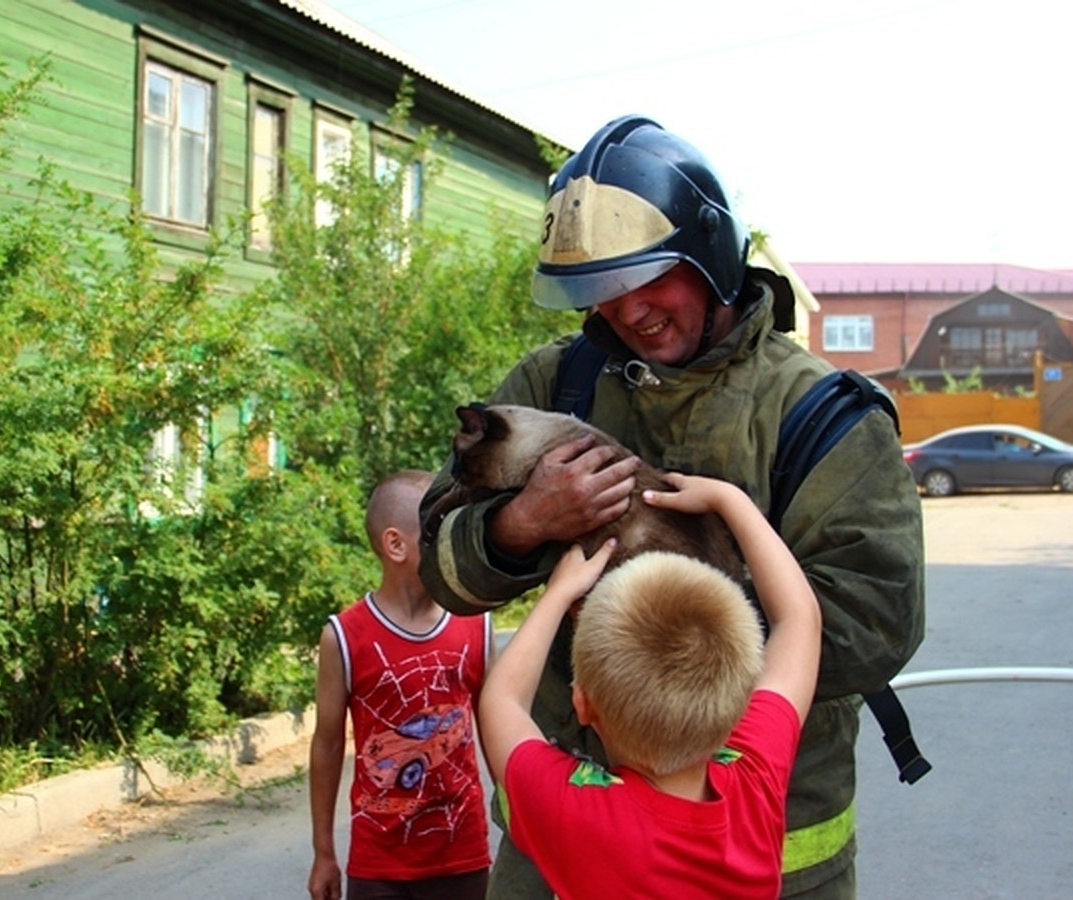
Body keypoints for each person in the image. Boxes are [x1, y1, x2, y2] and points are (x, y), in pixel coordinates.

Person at [418, 115, 926, 898]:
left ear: (711, 255)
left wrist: (655, 629)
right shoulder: (552, 389)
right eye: (603, 292)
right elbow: (439, 566)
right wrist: (523, 525)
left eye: (650, 279)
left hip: (779, 855)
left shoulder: (823, 416)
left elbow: (874, 622)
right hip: (557, 863)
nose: (628, 311)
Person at [480, 472, 822, 899]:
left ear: (582, 703)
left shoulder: (576, 813)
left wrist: (560, 593)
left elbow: (501, 701)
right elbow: (799, 619)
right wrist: (730, 499)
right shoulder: (754, 777)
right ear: (739, 703)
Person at [308, 470, 493, 900]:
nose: (451, 545)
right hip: (379, 865)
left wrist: (519, 810)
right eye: (438, 532)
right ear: (396, 545)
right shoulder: (344, 637)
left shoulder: (475, 624)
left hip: (462, 855)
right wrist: (323, 852)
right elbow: (328, 745)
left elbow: (495, 727)